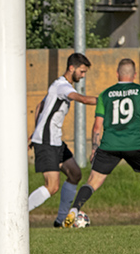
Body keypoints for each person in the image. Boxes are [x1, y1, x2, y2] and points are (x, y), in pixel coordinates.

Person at [63, 58, 140, 227]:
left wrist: (94, 148)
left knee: (92, 182)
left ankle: (74, 211)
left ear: (117, 74)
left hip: (109, 146)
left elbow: (97, 126)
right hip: (135, 145)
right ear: (134, 75)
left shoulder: (105, 95)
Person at [28, 53, 97, 228]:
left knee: (75, 174)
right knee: (52, 186)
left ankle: (60, 221)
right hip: (47, 141)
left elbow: (39, 106)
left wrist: (34, 131)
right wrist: (105, 101)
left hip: (55, 140)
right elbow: (81, 99)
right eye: (82, 71)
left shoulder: (58, 85)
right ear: (71, 68)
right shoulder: (62, 87)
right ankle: (16, 213)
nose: (83, 75)